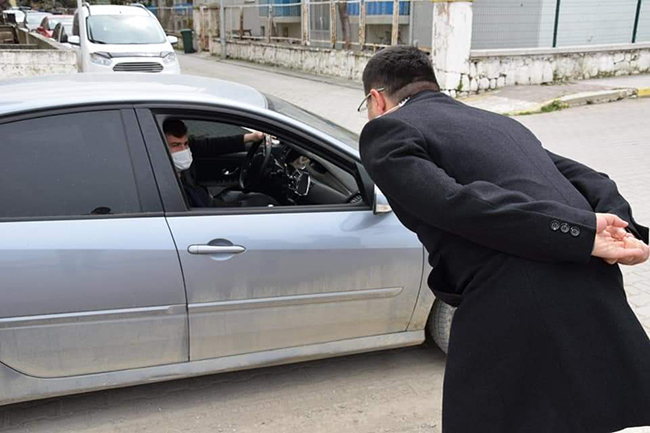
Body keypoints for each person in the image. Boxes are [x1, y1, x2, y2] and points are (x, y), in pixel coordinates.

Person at [358, 46, 650, 433]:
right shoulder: (498, 123)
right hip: (592, 282)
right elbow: (590, 178)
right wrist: (618, 227)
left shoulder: (385, 130)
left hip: (512, 299)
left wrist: (583, 233)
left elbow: (455, 202)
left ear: (377, 98)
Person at [163, 119, 277, 207]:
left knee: (262, 199)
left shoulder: (178, 160)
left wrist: (251, 137)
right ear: (160, 146)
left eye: (186, 143)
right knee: (265, 204)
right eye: (175, 145)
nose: (183, 149)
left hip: (206, 197)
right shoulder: (164, 184)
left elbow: (212, 145)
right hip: (206, 208)